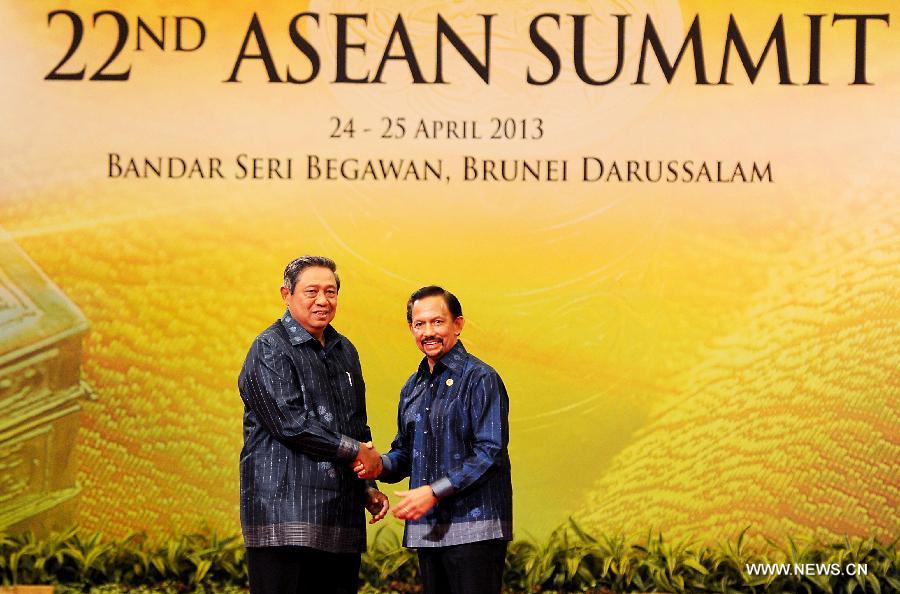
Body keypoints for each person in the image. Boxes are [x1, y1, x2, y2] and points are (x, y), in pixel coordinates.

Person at [238, 255, 388, 594]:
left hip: (340, 518)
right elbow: (291, 423)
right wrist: (357, 452)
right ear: (286, 294)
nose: (323, 300)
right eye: (312, 291)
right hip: (285, 519)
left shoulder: (345, 350)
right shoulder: (269, 348)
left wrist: (367, 486)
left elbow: (356, 424)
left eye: (331, 291)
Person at [357, 286, 512, 594]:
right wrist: (378, 466)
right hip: (429, 530)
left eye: (437, 322)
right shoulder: (412, 387)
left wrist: (433, 492)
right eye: (420, 324)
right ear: (411, 329)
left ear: (458, 324)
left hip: (475, 530)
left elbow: (489, 452)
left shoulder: (481, 378)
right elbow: (405, 451)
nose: (428, 332)